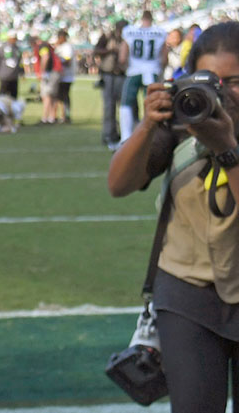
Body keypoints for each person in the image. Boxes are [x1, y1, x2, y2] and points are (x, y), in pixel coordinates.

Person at [106, 21, 239, 413]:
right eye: (210, 80)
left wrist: (227, 149)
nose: (222, 94)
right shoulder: (183, 126)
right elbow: (118, 184)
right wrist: (150, 125)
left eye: (233, 81)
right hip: (187, 290)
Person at [119, 11, 168, 143]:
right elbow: (164, 57)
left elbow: (123, 56)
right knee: (153, 103)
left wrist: (124, 67)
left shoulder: (130, 31)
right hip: (152, 71)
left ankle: (125, 136)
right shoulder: (160, 32)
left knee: (126, 103)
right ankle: (152, 133)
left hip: (134, 70)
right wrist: (161, 70)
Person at [95, 19, 128, 149]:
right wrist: (111, 51)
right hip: (108, 74)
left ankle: (125, 133)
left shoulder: (129, 38)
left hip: (122, 74)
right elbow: (97, 50)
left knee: (125, 105)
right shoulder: (107, 37)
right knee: (109, 105)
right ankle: (109, 133)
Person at [0, 32, 25, 99]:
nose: (14, 40)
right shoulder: (3, 48)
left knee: (13, 96)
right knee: (2, 95)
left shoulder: (17, 49)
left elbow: (20, 62)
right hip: (5, 76)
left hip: (14, 76)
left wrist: (22, 73)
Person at [55, 29, 75, 123]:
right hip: (61, 76)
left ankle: (66, 115)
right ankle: (62, 115)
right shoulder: (60, 46)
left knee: (64, 96)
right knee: (60, 97)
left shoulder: (67, 47)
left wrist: (58, 63)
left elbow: (68, 60)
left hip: (66, 76)